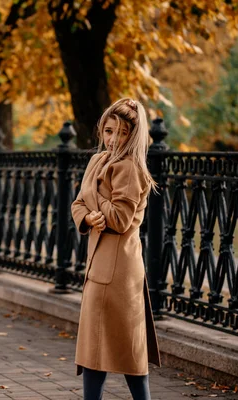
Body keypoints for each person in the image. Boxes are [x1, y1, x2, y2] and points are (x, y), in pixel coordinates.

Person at [70, 98, 161, 400]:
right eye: (108, 131)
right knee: (106, 349)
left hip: (118, 271)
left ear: (133, 136)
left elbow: (120, 219)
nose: (112, 139)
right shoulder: (98, 161)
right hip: (99, 266)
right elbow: (78, 203)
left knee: (117, 351)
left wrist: (95, 205)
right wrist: (88, 216)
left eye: (121, 133)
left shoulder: (130, 168)